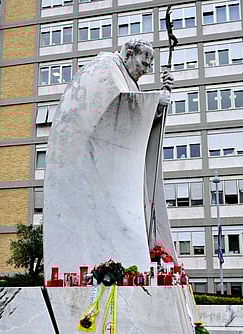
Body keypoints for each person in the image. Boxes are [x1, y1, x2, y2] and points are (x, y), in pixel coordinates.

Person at [43, 39, 177, 277]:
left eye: (149, 66)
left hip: (112, 170)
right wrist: (155, 99)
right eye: (144, 63)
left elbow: (130, 123)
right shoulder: (104, 67)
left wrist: (157, 105)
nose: (146, 70)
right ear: (128, 53)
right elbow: (111, 106)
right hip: (88, 169)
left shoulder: (128, 79)